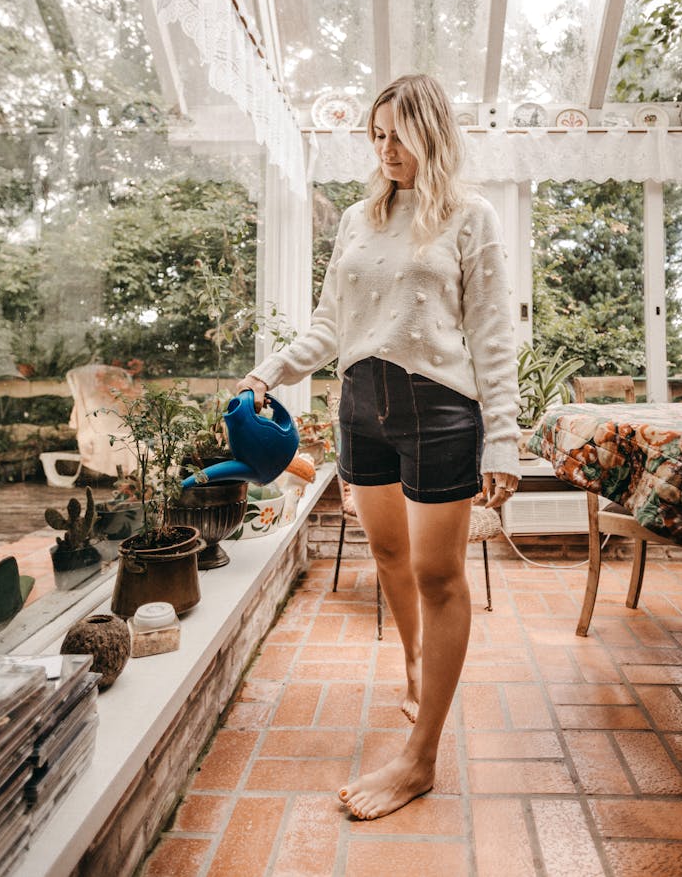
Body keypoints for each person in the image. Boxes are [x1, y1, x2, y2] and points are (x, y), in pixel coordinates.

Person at [236, 73, 521, 820]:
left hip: (439, 407)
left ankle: (420, 759)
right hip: (361, 402)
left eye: (397, 133)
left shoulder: (470, 216)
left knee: (438, 575)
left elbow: (493, 335)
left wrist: (505, 441)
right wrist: (272, 370)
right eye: (375, 134)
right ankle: (416, 663)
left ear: (430, 131)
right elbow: (331, 323)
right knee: (389, 556)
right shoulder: (360, 219)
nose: (384, 148)